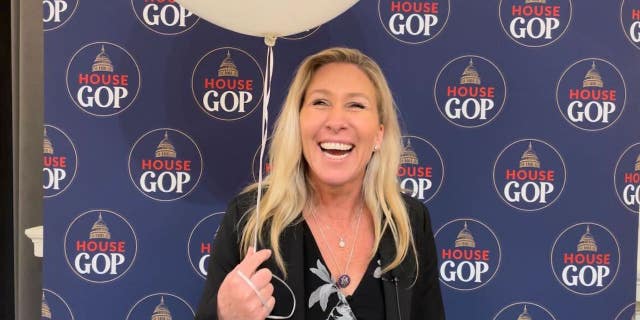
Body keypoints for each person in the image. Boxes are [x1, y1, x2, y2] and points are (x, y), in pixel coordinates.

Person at [195, 47, 444, 320]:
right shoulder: (250, 217)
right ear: (298, 122)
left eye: (356, 105)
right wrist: (223, 315)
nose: (336, 122)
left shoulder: (409, 222)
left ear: (378, 135)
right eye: (320, 103)